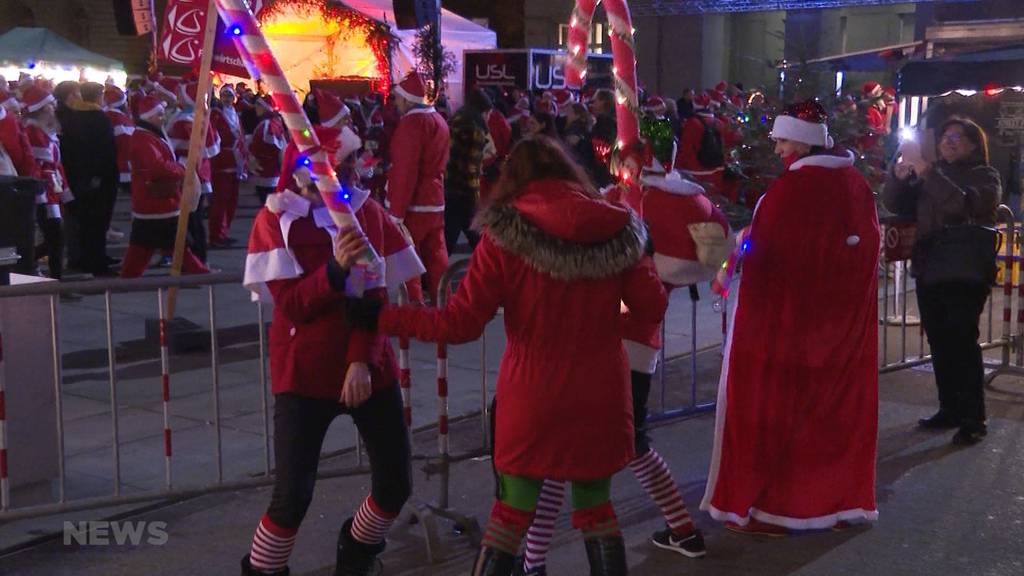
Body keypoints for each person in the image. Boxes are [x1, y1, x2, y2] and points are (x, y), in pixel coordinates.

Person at [375, 136, 668, 575]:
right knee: (597, 511)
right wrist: (606, 318)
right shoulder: (619, 228)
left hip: (531, 396)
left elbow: (460, 324)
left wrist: (385, 317)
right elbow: (653, 307)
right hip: (601, 394)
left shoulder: (504, 237)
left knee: (511, 515)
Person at [519, 144, 729, 575]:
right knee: (635, 444)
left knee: (562, 455)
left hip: (600, 344)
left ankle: (533, 559)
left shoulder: (625, 206)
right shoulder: (677, 203)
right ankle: (683, 528)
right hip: (640, 346)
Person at [239, 124, 423, 576]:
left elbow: (373, 295)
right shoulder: (275, 220)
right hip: (304, 371)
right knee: (292, 496)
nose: (328, 178)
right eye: (316, 168)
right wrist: (336, 270)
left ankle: (358, 552)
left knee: (395, 482)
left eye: (337, 168)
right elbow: (295, 305)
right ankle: (265, 570)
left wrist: (360, 359)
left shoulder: (367, 213)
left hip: (368, 367)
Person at [701, 101, 880, 535]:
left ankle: (776, 506)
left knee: (783, 415)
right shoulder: (854, 184)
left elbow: (773, 259)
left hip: (792, 333)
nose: (777, 148)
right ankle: (833, 502)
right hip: (840, 330)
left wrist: (737, 259)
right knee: (831, 417)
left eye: (782, 140)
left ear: (801, 140)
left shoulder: (792, 193)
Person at [882, 116, 1001, 445]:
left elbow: (961, 206)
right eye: (945, 136)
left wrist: (928, 172)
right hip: (931, 268)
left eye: (957, 137)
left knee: (962, 341)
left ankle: (973, 417)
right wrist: (899, 172)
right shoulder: (930, 174)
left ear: (974, 144)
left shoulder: (985, 176)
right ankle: (949, 407)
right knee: (939, 341)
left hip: (964, 270)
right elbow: (894, 202)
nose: (948, 142)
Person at [120, 95, 209, 278]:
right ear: (150, 116)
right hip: (156, 201)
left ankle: (129, 275)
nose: (163, 117)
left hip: (156, 201)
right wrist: (181, 169)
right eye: (160, 114)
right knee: (167, 242)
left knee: (149, 244)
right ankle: (196, 270)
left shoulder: (148, 135)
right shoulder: (144, 138)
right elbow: (156, 168)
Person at [385, 71, 450, 305]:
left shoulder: (411, 124)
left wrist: (396, 212)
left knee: (408, 258)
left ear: (405, 99)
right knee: (437, 256)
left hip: (414, 204)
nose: (396, 104)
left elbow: (405, 170)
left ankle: (414, 310)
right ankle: (444, 304)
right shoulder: (439, 120)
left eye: (397, 99)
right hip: (435, 199)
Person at [168, 82, 222, 264]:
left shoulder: (182, 120)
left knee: (188, 220)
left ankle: (193, 259)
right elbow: (213, 148)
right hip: (200, 173)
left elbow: (169, 147)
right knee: (195, 219)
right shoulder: (202, 118)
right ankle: (198, 258)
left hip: (186, 174)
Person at [20, 85, 68, 279]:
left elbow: (56, 165)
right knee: (55, 235)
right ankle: (54, 278)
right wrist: (40, 193)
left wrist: (65, 190)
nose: (53, 108)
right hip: (44, 190)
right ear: (41, 109)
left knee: (56, 237)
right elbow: (34, 164)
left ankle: (28, 263)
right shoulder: (33, 132)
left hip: (51, 188)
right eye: (50, 105)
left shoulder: (46, 131)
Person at [444, 88, 493, 253]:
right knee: (474, 236)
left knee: (449, 236)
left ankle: (435, 275)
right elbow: (471, 167)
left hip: (449, 184)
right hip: (463, 191)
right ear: (484, 111)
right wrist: (475, 197)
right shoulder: (475, 129)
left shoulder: (456, 119)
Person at [209, 85, 247, 246]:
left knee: (232, 199)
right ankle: (216, 235)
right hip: (222, 161)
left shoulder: (236, 115)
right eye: (224, 95)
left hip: (236, 160)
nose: (227, 99)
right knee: (220, 199)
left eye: (229, 96)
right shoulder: (216, 115)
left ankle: (225, 231)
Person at [676, 92, 728, 198]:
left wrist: (679, 166)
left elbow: (687, 149)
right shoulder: (719, 123)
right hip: (716, 169)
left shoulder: (692, 123)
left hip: (696, 171)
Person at [103, 85, 135, 248]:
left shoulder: (110, 116)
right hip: (122, 165)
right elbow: (125, 142)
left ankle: (106, 227)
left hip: (117, 163)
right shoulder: (119, 118)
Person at [249, 95, 287, 205]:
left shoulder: (268, 124)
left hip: (266, 171)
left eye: (258, 105)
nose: (256, 107)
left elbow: (273, 146)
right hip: (267, 171)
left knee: (267, 204)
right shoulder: (272, 122)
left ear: (265, 107)